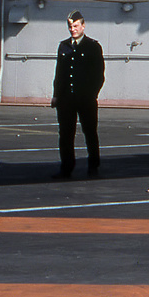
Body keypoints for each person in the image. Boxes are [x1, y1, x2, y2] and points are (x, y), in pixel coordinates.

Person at [51, 10, 104, 178]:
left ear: (83, 25)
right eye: (70, 26)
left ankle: (93, 166)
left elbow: (99, 75)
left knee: (90, 132)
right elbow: (59, 73)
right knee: (66, 135)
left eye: (75, 26)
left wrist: (91, 94)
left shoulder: (93, 46)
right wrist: (56, 95)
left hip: (86, 99)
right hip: (66, 99)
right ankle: (66, 168)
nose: (72, 29)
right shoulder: (64, 46)